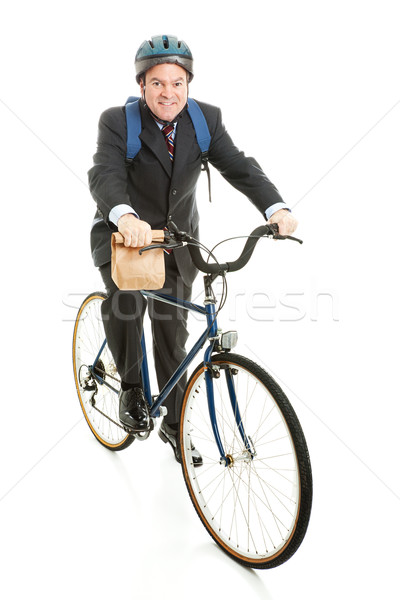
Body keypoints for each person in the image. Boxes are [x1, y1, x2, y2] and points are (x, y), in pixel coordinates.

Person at [88, 34, 298, 465]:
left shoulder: (205, 120)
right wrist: (126, 217)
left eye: (178, 82)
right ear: (142, 85)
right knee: (127, 304)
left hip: (181, 242)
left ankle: (173, 423)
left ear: (189, 83)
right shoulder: (118, 122)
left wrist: (275, 207)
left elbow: (238, 166)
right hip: (126, 237)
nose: (169, 92)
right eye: (158, 83)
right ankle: (130, 390)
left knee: (174, 333)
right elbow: (104, 174)